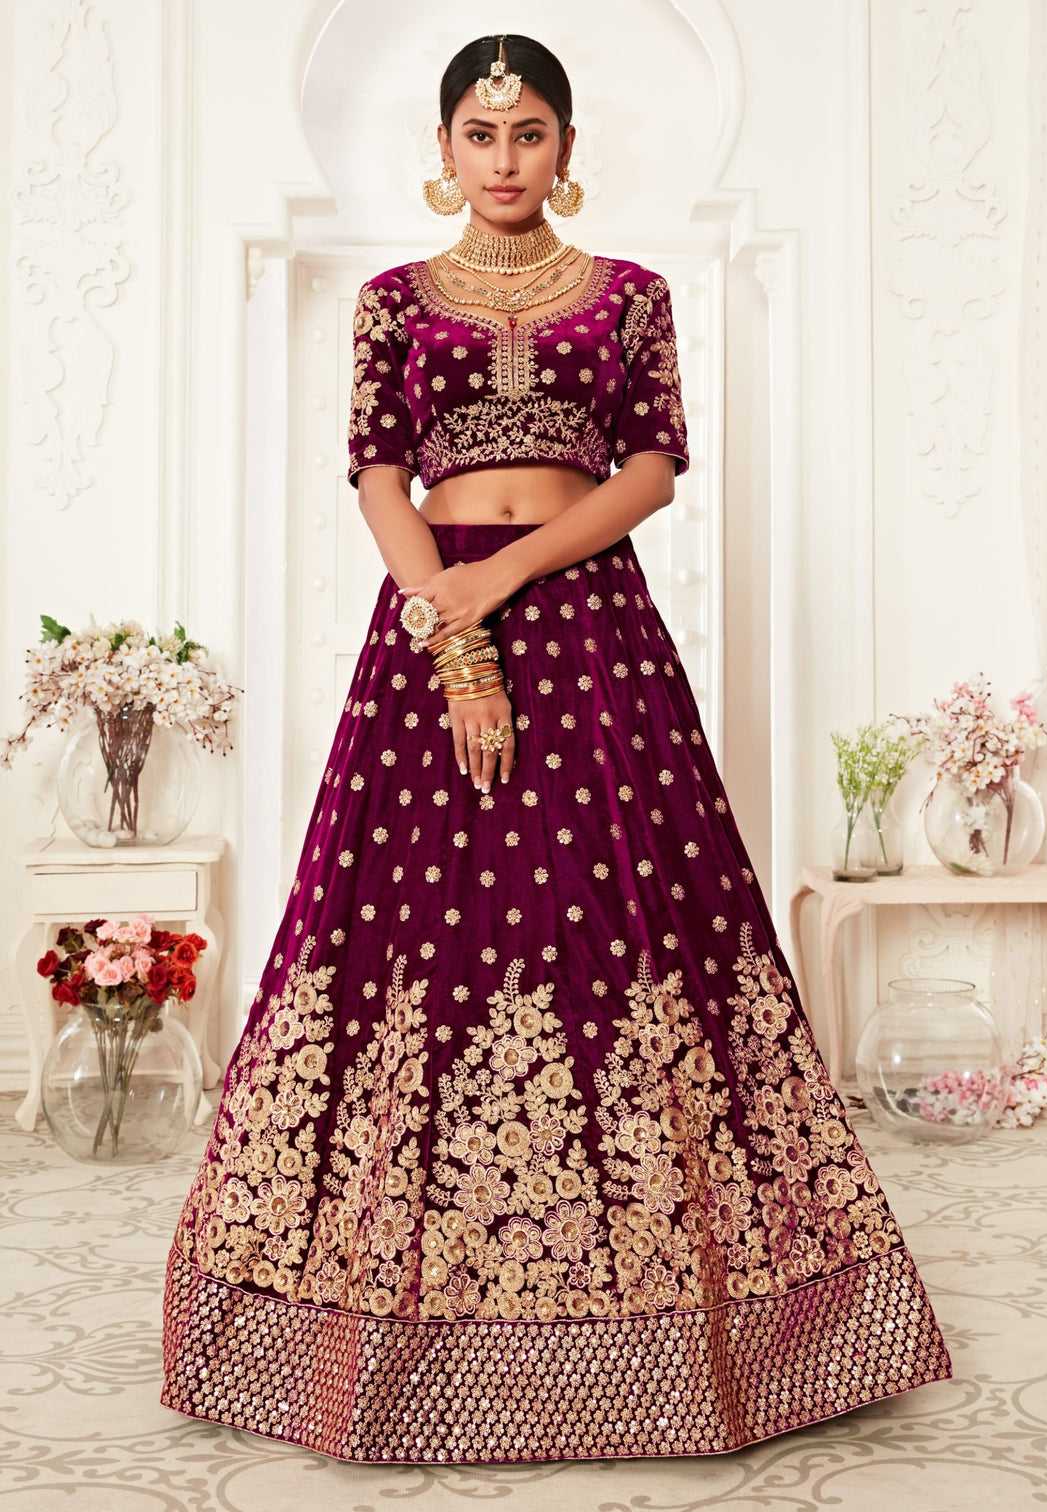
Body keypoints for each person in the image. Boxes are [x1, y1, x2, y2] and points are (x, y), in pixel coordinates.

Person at [160, 33, 952, 1463]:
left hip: (589, 631)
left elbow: (648, 471)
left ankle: (687, 1318)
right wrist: (452, 633)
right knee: (422, 932)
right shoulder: (392, 302)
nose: (505, 158)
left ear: (568, 149)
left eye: (529, 133)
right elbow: (380, 475)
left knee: (616, 914)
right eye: (480, 134)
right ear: (443, 148)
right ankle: (385, 1330)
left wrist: (502, 579)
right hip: (431, 633)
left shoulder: (631, 296)